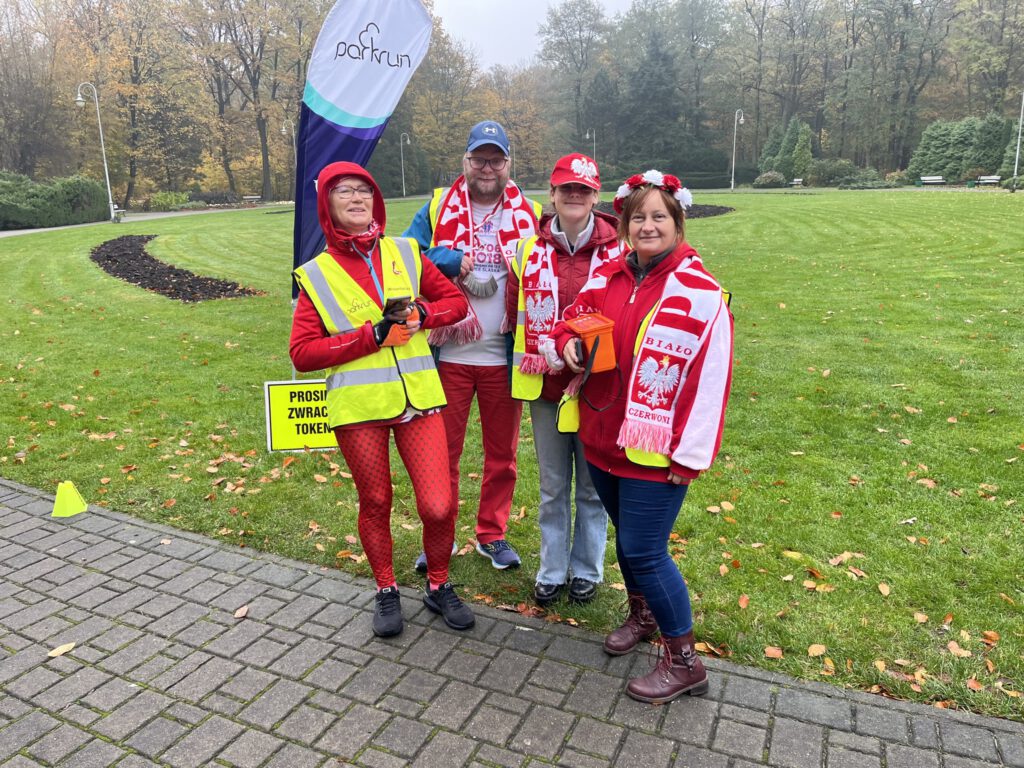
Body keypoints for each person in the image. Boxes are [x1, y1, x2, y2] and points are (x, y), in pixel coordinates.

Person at [550, 170, 733, 703]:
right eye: (638, 217)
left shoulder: (700, 294)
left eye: (659, 216)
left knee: (645, 550)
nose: (647, 225)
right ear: (624, 224)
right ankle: (643, 615)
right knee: (628, 541)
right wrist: (567, 345)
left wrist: (691, 455)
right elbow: (570, 320)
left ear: (678, 223)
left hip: (657, 449)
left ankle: (685, 662)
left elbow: (711, 381)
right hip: (602, 434)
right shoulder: (608, 274)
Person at [290, 161, 474, 638]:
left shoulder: (406, 251)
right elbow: (303, 353)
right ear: (327, 206)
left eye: (364, 190)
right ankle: (386, 589)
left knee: (438, 505)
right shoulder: (316, 274)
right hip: (359, 410)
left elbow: (456, 303)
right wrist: (370, 336)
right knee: (375, 500)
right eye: (343, 191)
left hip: (419, 401)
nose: (356, 198)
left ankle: (438, 584)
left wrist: (423, 313)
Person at [404, 121, 542, 572]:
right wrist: (445, 258)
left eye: (495, 159)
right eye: (479, 158)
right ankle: (439, 536)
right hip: (450, 356)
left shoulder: (531, 212)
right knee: (442, 456)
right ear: (464, 162)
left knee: (502, 456)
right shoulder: (438, 205)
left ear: (508, 165)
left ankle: (491, 533)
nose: (487, 167)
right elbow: (404, 254)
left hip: (504, 356)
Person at [505, 153, 620, 607]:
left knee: (592, 488)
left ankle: (587, 570)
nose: (575, 196)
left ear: (596, 196)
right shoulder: (527, 250)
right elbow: (512, 316)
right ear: (552, 195)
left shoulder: (620, 249)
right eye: (566, 189)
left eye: (584, 190)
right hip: (546, 388)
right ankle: (552, 569)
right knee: (553, 486)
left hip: (597, 390)